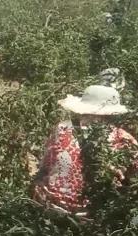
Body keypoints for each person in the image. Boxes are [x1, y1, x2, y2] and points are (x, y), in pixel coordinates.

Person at [32, 85, 138, 218]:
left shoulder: (62, 128)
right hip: (91, 215)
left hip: (50, 206)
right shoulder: (122, 138)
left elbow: (46, 165)